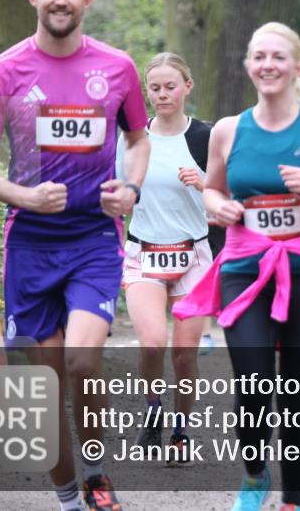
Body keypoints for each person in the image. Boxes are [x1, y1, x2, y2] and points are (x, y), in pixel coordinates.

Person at [0, 0, 150, 511]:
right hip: (30, 246)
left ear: (87, 0)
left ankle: (95, 473)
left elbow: (139, 138)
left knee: (83, 362)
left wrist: (132, 188)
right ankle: (69, 498)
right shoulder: (3, 72)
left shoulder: (117, 67)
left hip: (93, 239)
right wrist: (26, 195)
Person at [172, 22, 300, 511]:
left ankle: (291, 502)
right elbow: (213, 187)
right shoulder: (229, 130)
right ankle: (256, 473)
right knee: (254, 385)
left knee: (296, 398)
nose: (268, 65)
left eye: (278, 57)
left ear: (296, 67)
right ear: (249, 66)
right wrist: (217, 206)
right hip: (245, 267)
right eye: (259, 56)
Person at [117, 52, 214, 465]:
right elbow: (117, 190)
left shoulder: (206, 137)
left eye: (170, 86)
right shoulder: (133, 139)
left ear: (187, 87)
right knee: (154, 342)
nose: (162, 94)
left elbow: (231, 199)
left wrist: (205, 183)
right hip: (144, 254)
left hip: (193, 256)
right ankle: (153, 407)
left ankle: (181, 429)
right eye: (154, 88)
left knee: (185, 353)